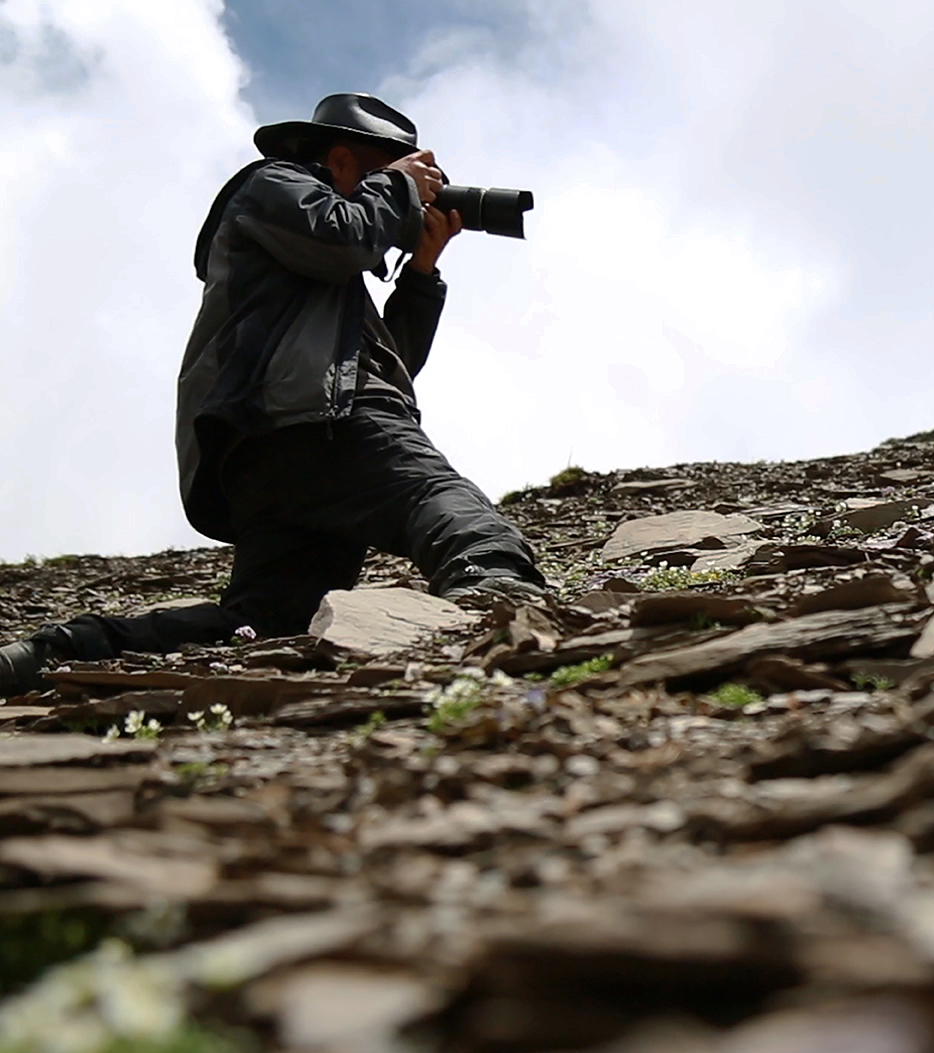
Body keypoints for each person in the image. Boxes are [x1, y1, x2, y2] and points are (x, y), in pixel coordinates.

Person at [0, 93, 547, 692]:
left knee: (267, 621)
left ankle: (53, 656)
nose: (412, 197)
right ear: (341, 159)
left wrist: (420, 273)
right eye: (387, 171)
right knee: (438, 499)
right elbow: (343, 240)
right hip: (314, 421)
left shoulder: (317, 281)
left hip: (279, 453)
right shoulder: (274, 184)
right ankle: (496, 602)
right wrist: (397, 188)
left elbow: (391, 368)